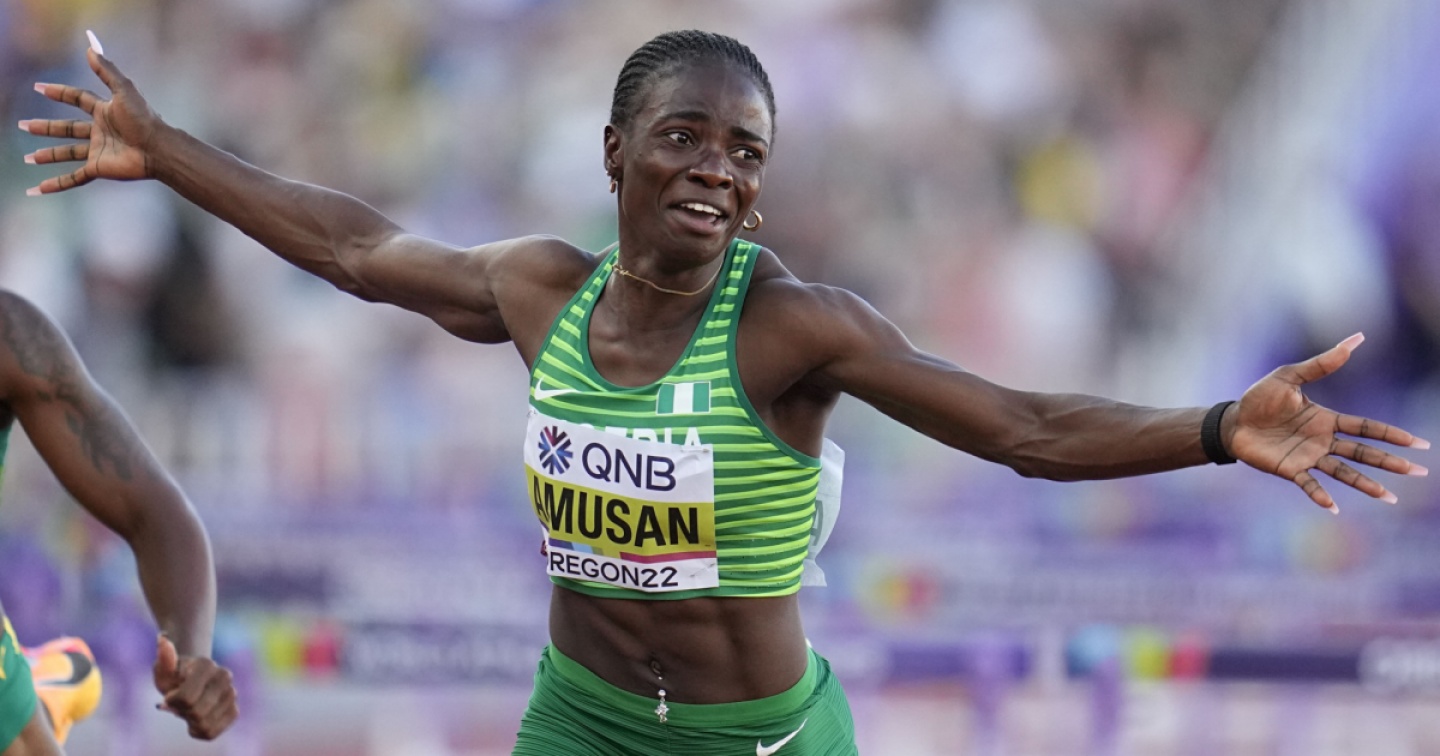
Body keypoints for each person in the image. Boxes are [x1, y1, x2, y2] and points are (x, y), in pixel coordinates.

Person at [19, 28, 1427, 755]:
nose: (716, 170)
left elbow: (1024, 429)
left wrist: (1213, 430)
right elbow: (353, 249)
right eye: (684, 137)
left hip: (760, 739)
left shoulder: (791, 330)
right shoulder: (538, 291)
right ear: (615, 150)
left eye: (744, 152)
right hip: (579, 719)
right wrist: (165, 148)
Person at [0, 289, 238, 753]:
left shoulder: (10, 339)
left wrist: (190, 656)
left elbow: (151, 510)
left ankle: (34, 700)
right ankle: (42, 694)